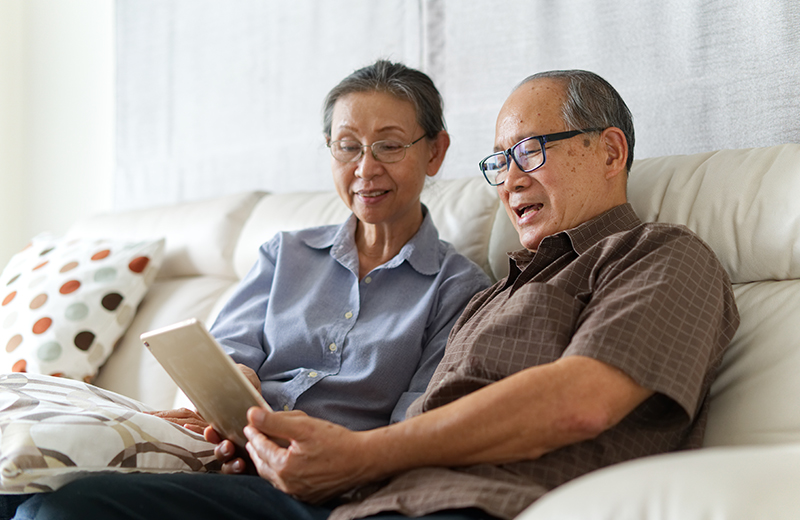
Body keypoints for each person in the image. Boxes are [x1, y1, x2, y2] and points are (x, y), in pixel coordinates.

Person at [15, 70, 739, 520]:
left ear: (610, 151)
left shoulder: (662, 257)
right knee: (61, 505)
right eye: (501, 161)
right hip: (354, 501)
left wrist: (356, 457)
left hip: (452, 504)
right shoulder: (502, 290)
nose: (511, 177)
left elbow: (579, 402)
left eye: (531, 151)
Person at [4, 60, 489, 519]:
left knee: (61, 509)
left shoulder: (459, 288)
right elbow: (225, 353)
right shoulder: (285, 253)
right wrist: (231, 392)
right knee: (17, 489)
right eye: (347, 146)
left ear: (435, 151)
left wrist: (327, 457)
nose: (365, 168)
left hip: (331, 489)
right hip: (229, 460)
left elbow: (416, 425)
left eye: (389, 145)